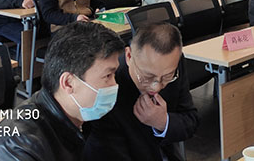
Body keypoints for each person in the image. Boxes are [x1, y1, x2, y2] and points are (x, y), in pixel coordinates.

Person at [0, 22, 125, 161]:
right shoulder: (20, 147)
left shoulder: (82, 115)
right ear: (68, 83)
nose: (114, 84)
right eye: (108, 76)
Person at [84, 23, 199, 161]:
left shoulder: (172, 64)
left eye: (167, 77)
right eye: (147, 77)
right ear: (129, 56)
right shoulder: (107, 86)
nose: (156, 87)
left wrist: (163, 122)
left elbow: (191, 120)